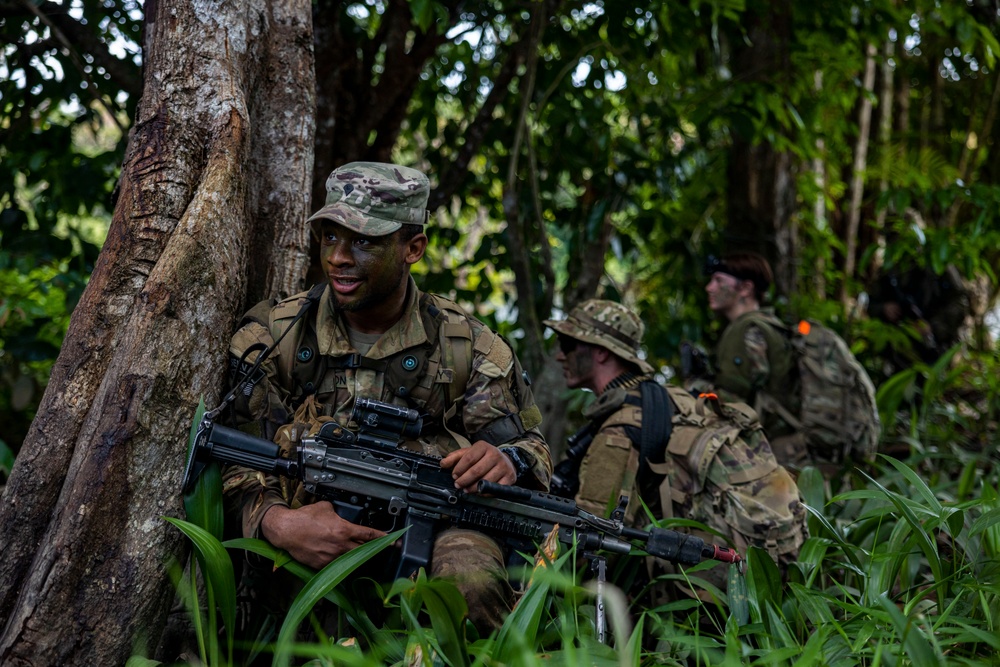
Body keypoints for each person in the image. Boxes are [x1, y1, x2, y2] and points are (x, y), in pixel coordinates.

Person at [222, 161, 552, 634]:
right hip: (306, 519)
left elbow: (533, 451)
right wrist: (276, 522)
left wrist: (505, 460)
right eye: (329, 237)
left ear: (412, 247)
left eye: (363, 241)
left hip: (437, 522)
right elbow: (233, 455)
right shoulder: (276, 339)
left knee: (470, 583)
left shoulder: (470, 349)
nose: (337, 257)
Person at [544, 299, 806, 602]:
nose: (561, 356)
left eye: (567, 344)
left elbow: (590, 540)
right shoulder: (674, 399)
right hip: (747, 567)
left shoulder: (620, 430)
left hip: (695, 587)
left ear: (601, 351)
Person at [703, 252, 806, 469]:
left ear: (746, 289)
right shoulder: (772, 325)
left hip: (768, 455)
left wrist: (696, 386)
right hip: (793, 449)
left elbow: (730, 405)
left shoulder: (744, 330)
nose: (709, 288)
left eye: (719, 281)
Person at [866, 263, 970, 367]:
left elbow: (959, 303)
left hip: (931, 345)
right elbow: (872, 304)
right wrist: (884, 308)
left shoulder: (942, 266)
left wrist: (931, 327)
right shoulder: (892, 265)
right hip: (895, 344)